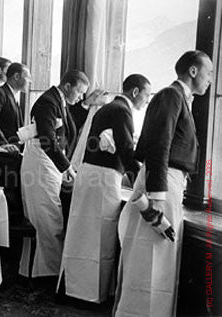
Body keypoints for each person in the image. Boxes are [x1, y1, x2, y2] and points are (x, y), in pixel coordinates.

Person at [113, 51, 213, 317]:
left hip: (168, 182)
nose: (211, 80)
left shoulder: (179, 99)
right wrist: (156, 199)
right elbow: (160, 144)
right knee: (149, 257)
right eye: (209, 72)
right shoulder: (171, 95)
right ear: (193, 71)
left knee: (159, 259)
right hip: (161, 183)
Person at [58, 74, 151, 304]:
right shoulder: (121, 110)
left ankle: (78, 290)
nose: (146, 101)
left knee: (85, 235)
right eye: (147, 95)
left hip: (93, 176)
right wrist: (144, 180)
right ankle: (86, 295)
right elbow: (127, 150)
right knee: (97, 235)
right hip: (101, 178)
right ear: (136, 92)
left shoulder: (110, 108)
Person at [18, 70, 88, 278]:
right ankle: (49, 275)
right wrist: (67, 168)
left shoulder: (58, 100)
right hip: (41, 163)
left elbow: (66, 128)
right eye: (79, 92)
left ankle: (41, 271)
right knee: (49, 220)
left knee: (49, 218)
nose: (80, 97)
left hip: (47, 163)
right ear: (67, 86)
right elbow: (48, 140)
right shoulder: (48, 102)